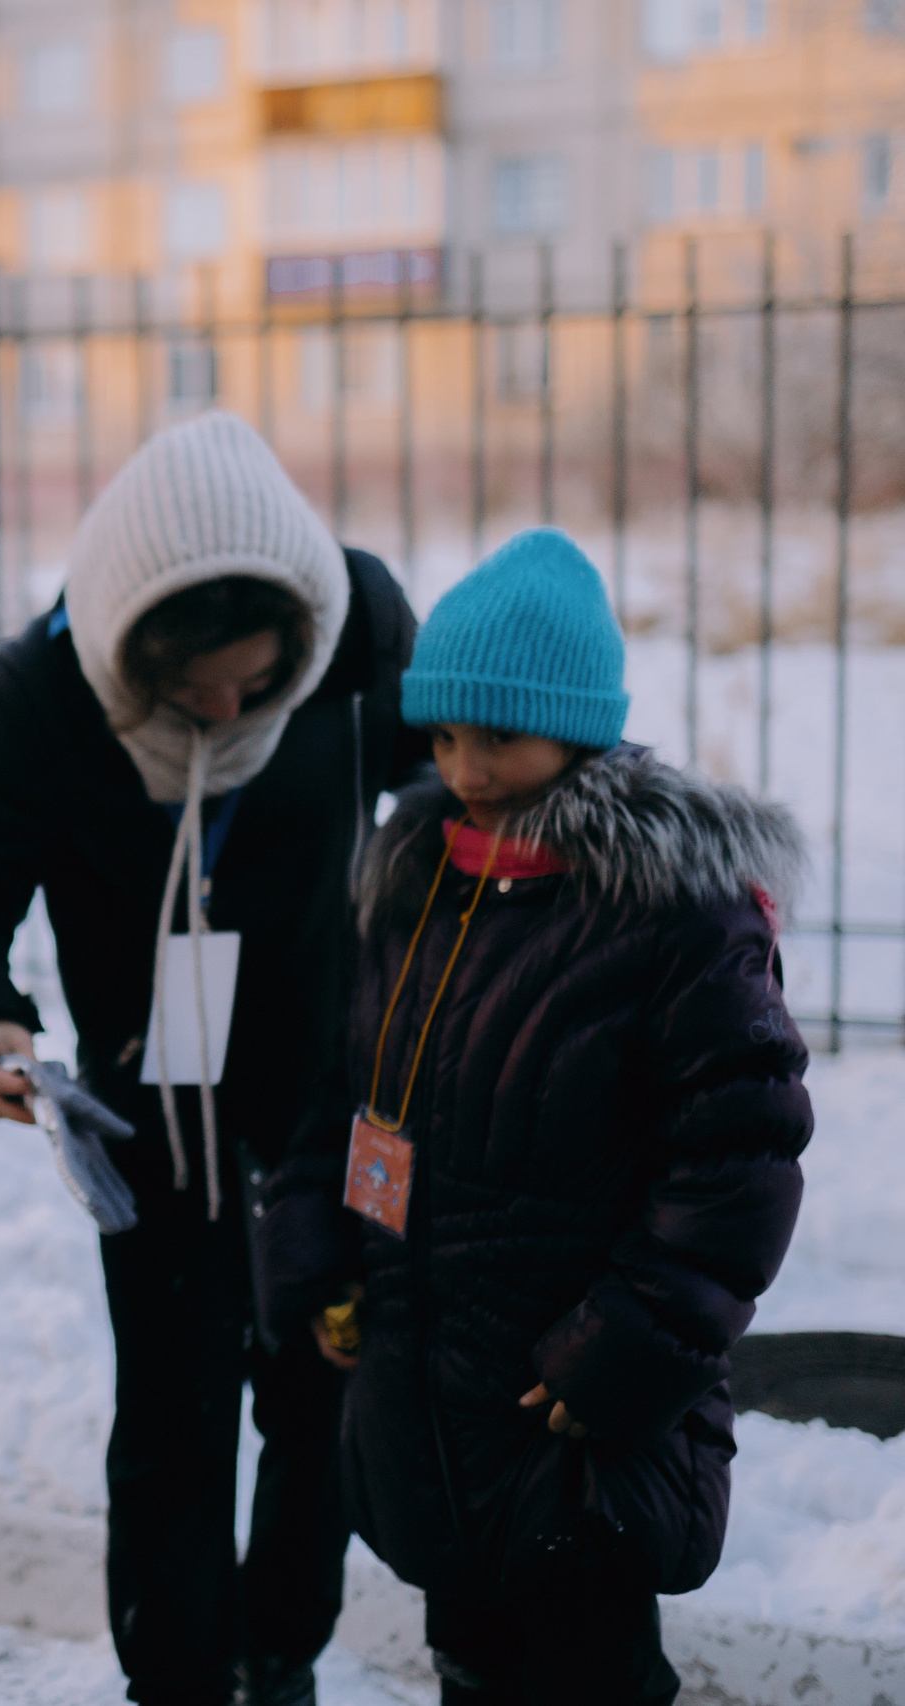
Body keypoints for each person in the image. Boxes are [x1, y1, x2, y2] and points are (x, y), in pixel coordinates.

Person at [0, 412, 426, 1706]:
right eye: (196, 688)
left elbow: (460, 790)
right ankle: (181, 1678)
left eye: (256, 681)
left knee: (321, 1410)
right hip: (152, 1120)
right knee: (175, 1423)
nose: (229, 707)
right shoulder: (50, 689)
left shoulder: (353, 625)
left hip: (332, 1113)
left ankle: (284, 1653)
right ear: (132, 651)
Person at [258, 529, 809, 1705]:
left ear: (577, 728)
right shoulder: (416, 880)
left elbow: (737, 1160)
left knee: (585, 1666)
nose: (462, 767)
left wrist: (619, 1353)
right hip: (425, 1390)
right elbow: (340, 1091)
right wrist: (317, 1264)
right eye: (443, 735)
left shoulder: (669, 913)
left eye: (496, 737)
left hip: (569, 1411)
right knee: (469, 1654)